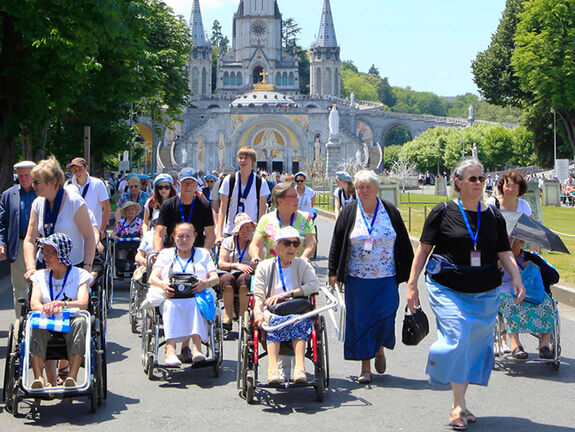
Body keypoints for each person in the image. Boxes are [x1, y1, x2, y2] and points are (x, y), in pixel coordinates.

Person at [406, 159, 525, 431]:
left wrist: (516, 277)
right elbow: (423, 251)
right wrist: (412, 284)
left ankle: (461, 400)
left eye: (482, 179)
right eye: (473, 179)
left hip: (485, 290)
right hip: (447, 286)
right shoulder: (442, 212)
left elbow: (504, 251)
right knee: (457, 334)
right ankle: (456, 403)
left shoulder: (493, 215)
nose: (479, 183)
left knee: (473, 347)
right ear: (458, 182)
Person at [328, 169, 413, 384]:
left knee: (385, 318)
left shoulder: (390, 211)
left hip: (386, 277)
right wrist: (332, 272)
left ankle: (380, 349)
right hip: (358, 278)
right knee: (360, 322)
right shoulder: (349, 212)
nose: (364, 191)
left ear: (376, 189)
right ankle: (365, 367)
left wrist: (412, 275)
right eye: (360, 187)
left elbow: (403, 241)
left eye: (368, 187)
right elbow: (337, 243)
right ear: (355, 190)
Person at [252, 226, 319, 384]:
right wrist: (257, 310)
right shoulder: (265, 266)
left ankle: (299, 368)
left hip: (295, 307)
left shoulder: (302, 264)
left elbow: (314, 285)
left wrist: (289, 294)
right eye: (287, 243)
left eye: (296, 244)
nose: (292, 247)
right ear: (276, 247)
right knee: (273, 323)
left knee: (299, 321)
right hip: (272, 311)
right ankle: (273, 369)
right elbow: (259, 294)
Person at [148, 223, 219, 366]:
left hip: (196, 295)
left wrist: (204, 283)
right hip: (171, 295)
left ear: (195, 237)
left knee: (195, 304)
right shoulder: (166, 254)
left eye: (188, 236)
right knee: (170, 304)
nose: (184, 240)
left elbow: (215, 278)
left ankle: (197, 348)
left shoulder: (202, 253)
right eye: (180, 236)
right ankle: (171, 349)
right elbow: (152, 277)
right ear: (173, 238)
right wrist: (163, 285)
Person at [29, 233, 93, 388]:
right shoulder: (39, 276)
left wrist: (62, 305)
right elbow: (34, 304)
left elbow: (83, 303)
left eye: (49, 252)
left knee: (80, 322)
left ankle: (71, 377)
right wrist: (47, 307)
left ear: (61, 254)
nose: (45, 256)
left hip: (70, 320)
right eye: (44, 252)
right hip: (47, 319)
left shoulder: (79, 275)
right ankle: (39, 379)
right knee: (34, 325)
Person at [23, 156, 95, 281]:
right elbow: (29, 239)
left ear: (52, 183)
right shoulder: (37, 203)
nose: (33, 185)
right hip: (46, 267)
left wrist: (87, 268)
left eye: (37, 182)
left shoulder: (74, 202)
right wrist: (31, 268)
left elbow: (89, 237)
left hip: (73, 268)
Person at [499, 237, 559, 360]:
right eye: (510, 241)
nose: (513, 245)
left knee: (547, 302)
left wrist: (537, 267)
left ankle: (544, 345)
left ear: (522, 243)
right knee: (510, 302)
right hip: (506, 292)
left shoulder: (531, 257)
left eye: (516, 242)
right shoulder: (500, 257)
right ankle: (515, 345)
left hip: (531, 293)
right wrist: (499, 264)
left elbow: (554, 277)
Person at [0, 161, 38, 317]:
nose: (23, 178)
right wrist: (1, 243)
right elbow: (1, 222)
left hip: (41, 246)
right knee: (20, 288)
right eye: (20, 175)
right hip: (19, 244)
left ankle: (40, 325)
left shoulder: (41, 192)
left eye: (26, 175)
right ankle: (20, 325)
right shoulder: (8, 195)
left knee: (41, 284)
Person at [249, 182, 316, 261]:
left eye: (297, 196)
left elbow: (311, 242)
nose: (297, 199)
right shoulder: (266, 219)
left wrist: (305, 257)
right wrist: (255, 257)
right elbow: (255, 244)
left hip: (298, 268)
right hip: (273, 269)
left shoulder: (305, 218)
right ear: (280, 201)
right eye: (293, 197)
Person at [154, 168, 215, 251]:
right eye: (185, 183)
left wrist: (205, 253)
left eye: (191, 183)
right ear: (179, 184)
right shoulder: (167, 205)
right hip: (172, 251)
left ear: (197, 185)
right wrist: (158, 253)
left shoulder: (204, 205)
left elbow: (210, 234)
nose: (188, 186)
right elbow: (159, 234)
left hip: (196, 251)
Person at [216, 146, 269, 241]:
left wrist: (259, 233)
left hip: (251, 232)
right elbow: (222, 208)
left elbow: (262, 211)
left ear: (252, 162)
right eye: (240, 158)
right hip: (231, 230)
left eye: (246, 158)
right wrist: (219, 233)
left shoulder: (260, 182)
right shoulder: (229, 180)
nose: (242, 161)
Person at [217, 213, 258, 329]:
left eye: (249, 227)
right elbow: (221, 263)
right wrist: (236, 265)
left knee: (244, 278)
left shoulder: (255, 243)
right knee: (226, 279)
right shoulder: (228, 242)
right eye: (243, 227)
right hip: (230, 272)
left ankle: (242, 315)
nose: (247, 230)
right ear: (237, 230)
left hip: (247, 274)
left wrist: (253, 263)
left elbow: (261, 260)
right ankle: (228, 315)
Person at [67, 157, 111, 241]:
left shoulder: (97, 184)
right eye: (75, 170)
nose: (78, 173)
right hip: (74, 232)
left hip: (94, 230)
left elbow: (107, 208)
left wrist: (102, 229)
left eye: (80, 169)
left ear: (86, 168)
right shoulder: (68, 185)